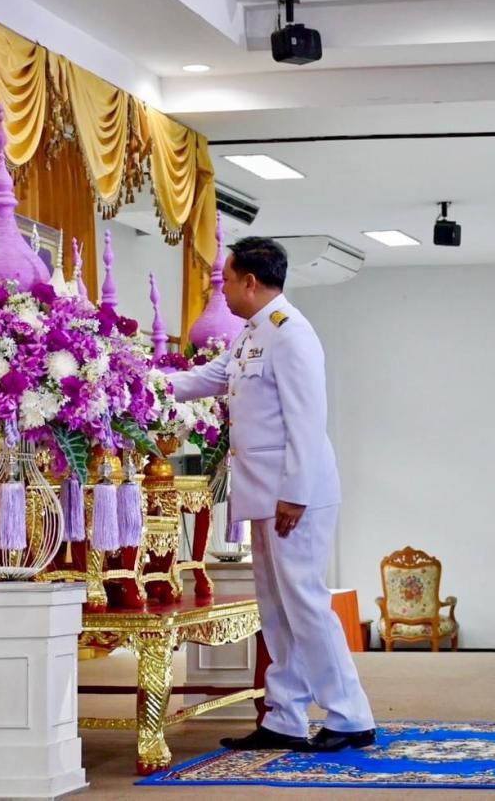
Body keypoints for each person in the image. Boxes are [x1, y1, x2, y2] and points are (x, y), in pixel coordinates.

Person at [167, 237, 376, 753]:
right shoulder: (253, 333)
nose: (222, 290)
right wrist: (140, 383)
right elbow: (211, 377)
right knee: (276, 609)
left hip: (294, 495)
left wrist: (295, 493)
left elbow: (308, 420)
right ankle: (285, 716)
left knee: (306, 604)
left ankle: (351, 715)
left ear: (251, 282)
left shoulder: (291, 333)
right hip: (264, 493)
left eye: (226, 280)